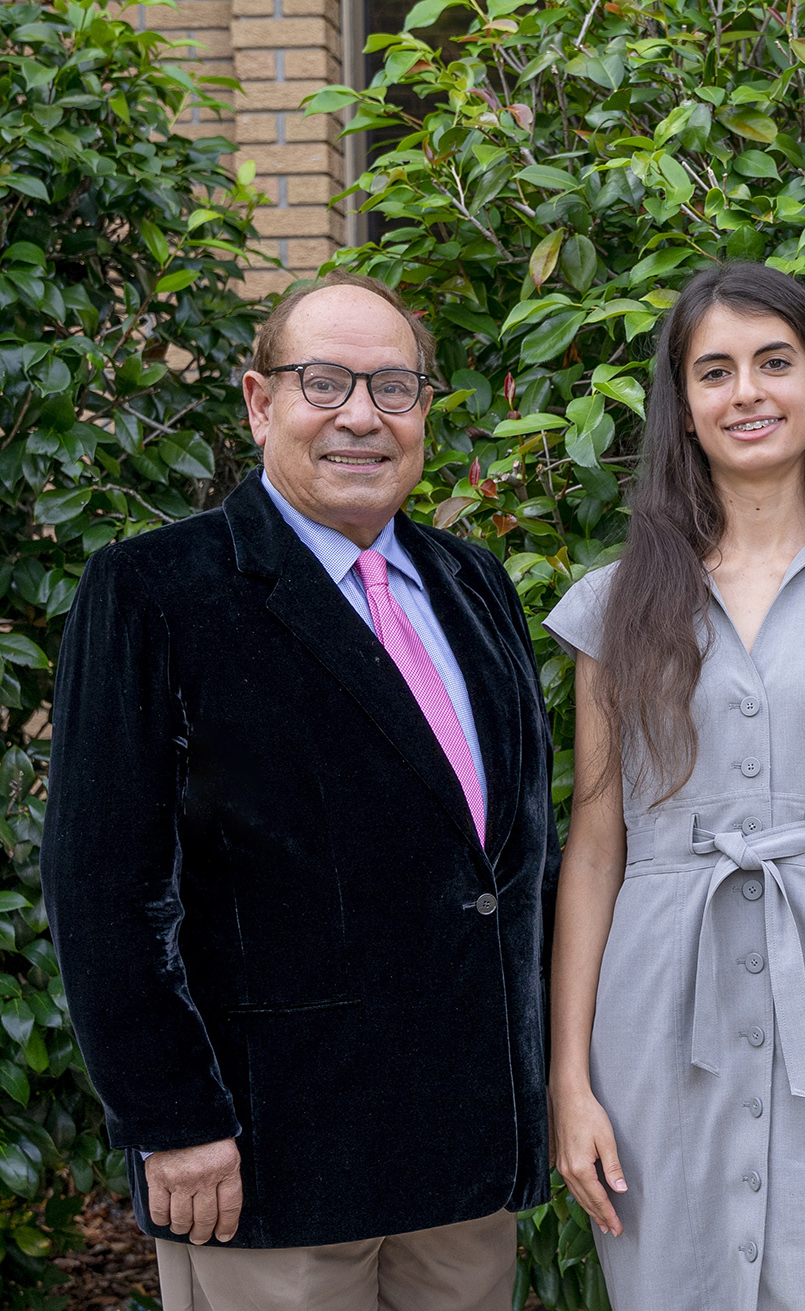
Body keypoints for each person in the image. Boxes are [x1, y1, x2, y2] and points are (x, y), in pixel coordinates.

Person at [40, 271, 557, 1311]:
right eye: (324, 382)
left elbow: (501, 863)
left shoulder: (473, 584)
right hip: (269, 1162)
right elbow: (105, 889)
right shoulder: (155, 591)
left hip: (461, 1159)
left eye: (393, 387)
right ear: (256, 400)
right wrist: (172, 1121)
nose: (361, 415)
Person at [543, 261, 805, 1310]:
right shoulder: (613, 606)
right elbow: (594, 848)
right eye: (714, 372)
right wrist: (572, 1080)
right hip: (657, 1009)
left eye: (773, 363)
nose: (747, 393)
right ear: (683, 407)